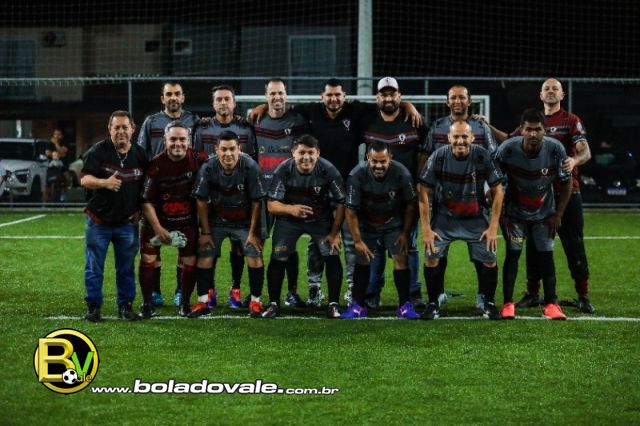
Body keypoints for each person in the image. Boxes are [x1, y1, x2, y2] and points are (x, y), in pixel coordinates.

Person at [250, 78, 423, 307]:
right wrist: (263, 106)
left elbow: (387, 104)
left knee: (350, 240)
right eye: (329, 95)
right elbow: (281, 106)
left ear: (345, 97)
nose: (334, 99)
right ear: (322, 97)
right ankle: (314, 288)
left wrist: (407, 105)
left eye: (338, 95)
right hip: (316, 192)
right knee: (317, 243)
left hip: (349, 188)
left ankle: (352, 290)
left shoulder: (356, 111)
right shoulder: (311, 111)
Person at [484, 78, 595, 313]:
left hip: (566, 191)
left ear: (562, 95)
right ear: (541, 95)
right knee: (534, 247)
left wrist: (575, 160)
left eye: (556, 88)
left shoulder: (570, 120)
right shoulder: (533, 122)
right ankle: (533, 293)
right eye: (547, 88)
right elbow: (510, 141)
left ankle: (583, 295)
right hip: (533, 193)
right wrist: (487, 125)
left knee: (573, 244)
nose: (551, 91)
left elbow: (585, 151)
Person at [418, 122, 504, 320]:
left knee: (489, 258)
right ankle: (433, 303)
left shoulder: (482, 155)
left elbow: (498, 191)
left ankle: (489, 303)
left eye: (464, 137)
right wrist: (426, 229)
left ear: (472, 138)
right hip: (445, 218)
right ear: (449, 138)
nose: (460, 141)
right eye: (456, 136)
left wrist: (493, 227)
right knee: (431, 255)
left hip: (475, 217)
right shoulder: (438, 156)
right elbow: (423, 191)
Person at [496, 108, 572, 320]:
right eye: (528, 129)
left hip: (544, 215)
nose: (533, 134)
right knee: (513, 254)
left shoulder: (556, 149)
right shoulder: (507, 149)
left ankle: (551, 304)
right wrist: (502, 215)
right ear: (521, 130)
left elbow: (567, 184)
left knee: (546, 256)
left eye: (537, 129)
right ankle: (508, 303)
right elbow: (495, 185)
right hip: (515, 215)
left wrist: (558, 215)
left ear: (544, 130)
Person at [262, 135, 345, 319]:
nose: (306, 157)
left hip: (320, 221)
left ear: (318, 153)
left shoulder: (328, 170)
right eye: (301, 152)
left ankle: (333, 304)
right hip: (289, 221)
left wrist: (334, 232)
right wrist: (291, 209)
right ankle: (274, 304)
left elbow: (342, 202)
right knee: (278, 256)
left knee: (332, 255)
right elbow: (271, 204)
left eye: (310, 153)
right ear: (293, 153)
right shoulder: (284, 169)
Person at [362, 77, 427, 308]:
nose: (388, 98)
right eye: (384, 94)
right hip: (374, 196)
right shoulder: (366, 120)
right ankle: (372, 293)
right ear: (377, 97)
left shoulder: (415, 121)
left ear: (400, 96)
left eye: (392, 94)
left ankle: (413, 292)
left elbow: (426, 151)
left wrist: (421, 182)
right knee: (377, 246)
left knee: (410, 245)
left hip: (406, 196)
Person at [193, 85, 257, 309]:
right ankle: (209, 290)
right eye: (218, 99)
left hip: (239, 199)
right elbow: (196, 159)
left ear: (234, 103)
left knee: (239, 247)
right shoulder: (201, 128)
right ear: (213, 104)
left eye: (227, 99)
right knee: (210, 246)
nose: (223, 103)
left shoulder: (246, 128)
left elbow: (251, 161)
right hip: (212, 197)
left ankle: (235, 289)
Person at [137, 81, 200, 308]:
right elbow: (141, 154)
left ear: (183, 97)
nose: (173, 97)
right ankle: (153, 292)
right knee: (152, 249)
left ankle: (180, 293)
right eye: (169, 94)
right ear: (163, 98)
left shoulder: (194, 121)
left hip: (184, 191)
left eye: (177, 94)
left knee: (186, 249)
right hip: (157, 189)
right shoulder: (151, 122)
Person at [341, 141, 419, 319]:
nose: (378, 165)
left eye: (382, 161)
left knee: (401, 258)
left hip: (393, 223)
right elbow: (350, 211)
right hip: (367, 224)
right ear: (367, 158)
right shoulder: (356, 175)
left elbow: (410, 204)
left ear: (390, 157)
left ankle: (404, 306)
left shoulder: (402, 173)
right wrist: (358, 241)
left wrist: (405, 232)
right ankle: (358, 306)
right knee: (362, 258)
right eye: (374, 161)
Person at [138, 121, 209, 318]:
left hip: (186, 221)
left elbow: (218, 165)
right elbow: (146, 200)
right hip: (157, 220)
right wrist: (157, 228)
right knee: (148, 258)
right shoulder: (155, 165)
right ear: (165, 140)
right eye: (173, 139)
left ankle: (184, 303)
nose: (178, 143)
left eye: (182, 139)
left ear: (189, 140)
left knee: (189, 260)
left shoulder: (200, 158)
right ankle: (147, 303)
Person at [192, 130, 266, 317]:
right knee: (205, 252)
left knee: (254, 253)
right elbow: (201, 200)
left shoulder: (250, 167)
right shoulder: (208, 167)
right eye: (223, 149)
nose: (228, 153)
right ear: (216, 150)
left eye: (232, 149)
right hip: (218, 220)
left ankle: (255, 302)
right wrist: (206, 233)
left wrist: (253, 233)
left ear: (239, 149)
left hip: (243, 222)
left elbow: (257, 201)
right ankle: (202, 301)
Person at [81, 110, 146, 322]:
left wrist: (140, 208)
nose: (120, 131)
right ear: (109, 129)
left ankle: (125, 306)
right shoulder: (99, 150)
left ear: (132, 129)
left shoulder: (140, 154)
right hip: (98, 221)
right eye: (116, 127)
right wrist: (104, 183)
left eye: (124, 127)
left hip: (127, 223)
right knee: (94, 267)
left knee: (126, 268)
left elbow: (146, 186)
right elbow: (84, 179)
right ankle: (93, 307)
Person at [254, 78, 308, 308]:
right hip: (262, 192)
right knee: (257, 243)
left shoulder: (299, 121)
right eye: (273, 93)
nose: (277, 97)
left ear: (286, 94)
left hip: (288, 194)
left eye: (280, 93)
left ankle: (292, 292)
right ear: (266, 96)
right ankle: (255, 295)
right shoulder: (255, 120)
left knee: (289, 245)